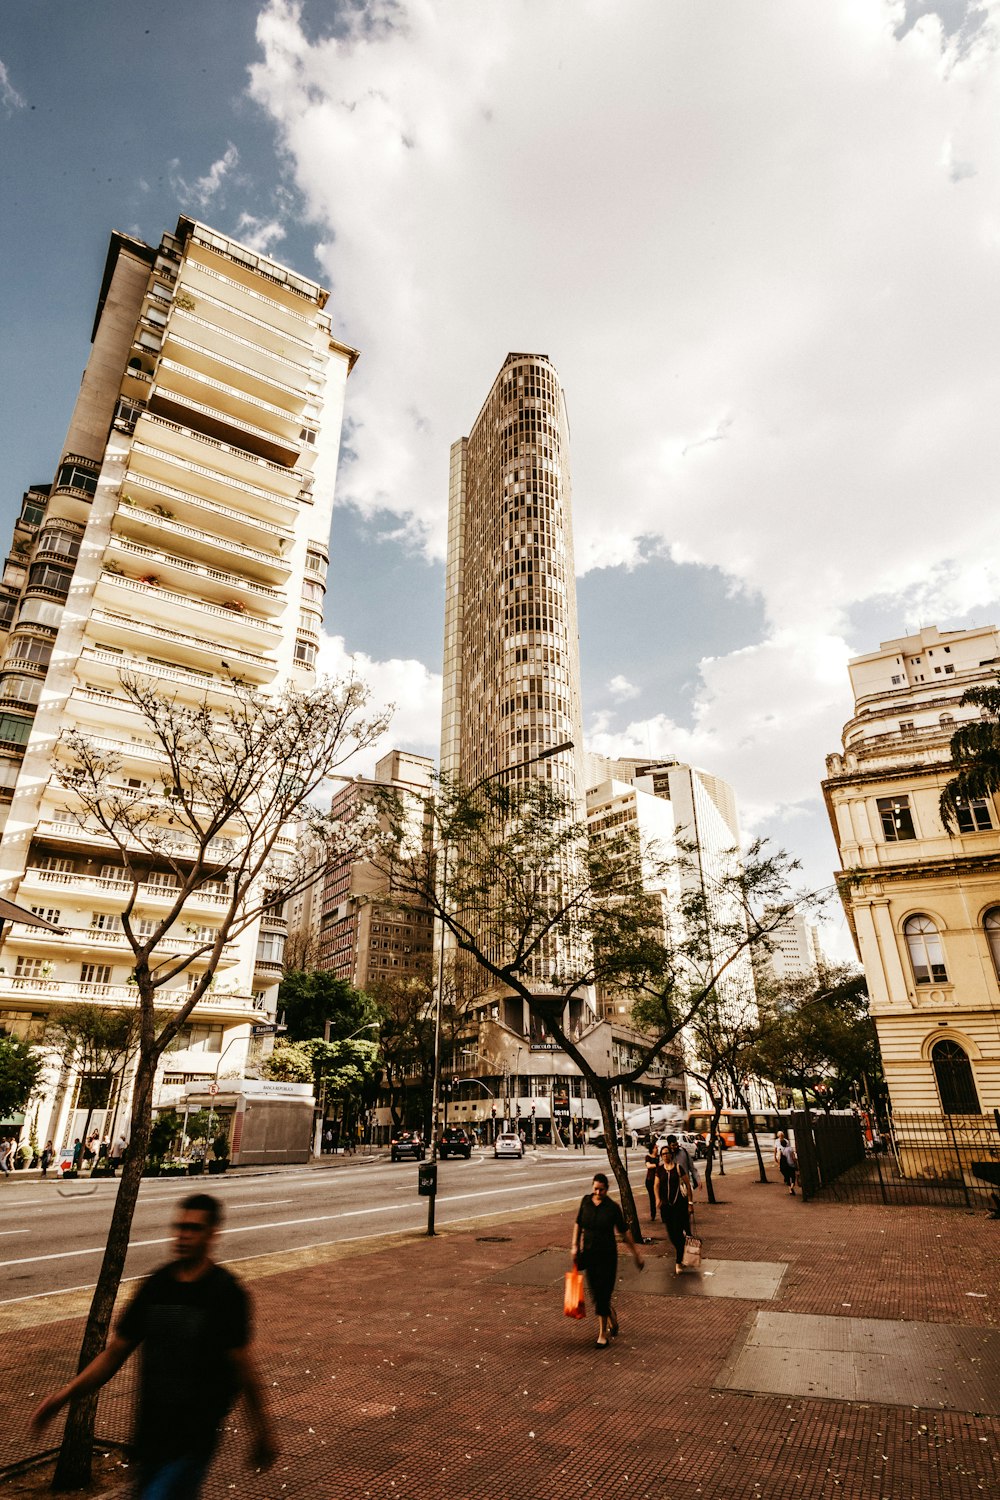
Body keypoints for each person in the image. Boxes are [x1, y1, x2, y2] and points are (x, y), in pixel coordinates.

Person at [31, 1192, 277, 1497]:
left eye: (194, 1228)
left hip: (193, 1439)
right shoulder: (156, 1286)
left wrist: (263, 1430)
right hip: (150, 1435)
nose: (183, 1235)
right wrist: (63, 1396)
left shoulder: (226, 1294)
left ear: (213, 1234)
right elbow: (115, 1354)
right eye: (180, 1227)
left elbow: (244, 1368)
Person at [571, 1172, 644, 1347]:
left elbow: (624, 1232)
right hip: (589, 1255)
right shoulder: (586, 1202)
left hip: (607, 1257)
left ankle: (602, 1335)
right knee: (596, 1294)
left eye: (601, 1190)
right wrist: (574, 1245)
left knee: (603, 1294)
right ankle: (610, 1314)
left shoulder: (612, 1208)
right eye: (595, 1189)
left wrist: (636, 1254)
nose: (598, 1193)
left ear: (607, 1189)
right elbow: (578, 1224)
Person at [656, 1141, 693, 1274]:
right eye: (663, 1154)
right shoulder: (659, 1170)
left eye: (667, 1153)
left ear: (671, 1155)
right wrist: (657, 1199)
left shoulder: (678, 1168)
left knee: (677, 1232)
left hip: (679, 1206)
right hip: (666, 1208)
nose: (665, 1156)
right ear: (661, 1156)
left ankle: (678, 1262)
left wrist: (690, 1203)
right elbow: (656, 1185)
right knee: (672, 1235)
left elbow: (688, 1185)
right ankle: (682, 1247)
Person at [643, 1140, 659, 1223]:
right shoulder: (648, 1157)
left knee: (661, 1197)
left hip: (658, 1180)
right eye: (656, 1148)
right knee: (652, 1198)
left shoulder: (659, 1157)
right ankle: (653, 1214)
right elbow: (648, 1165)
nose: (657, 1149)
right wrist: (657, 1165)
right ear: (652, 1149)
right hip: (650, 1180)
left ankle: (664, 1215)